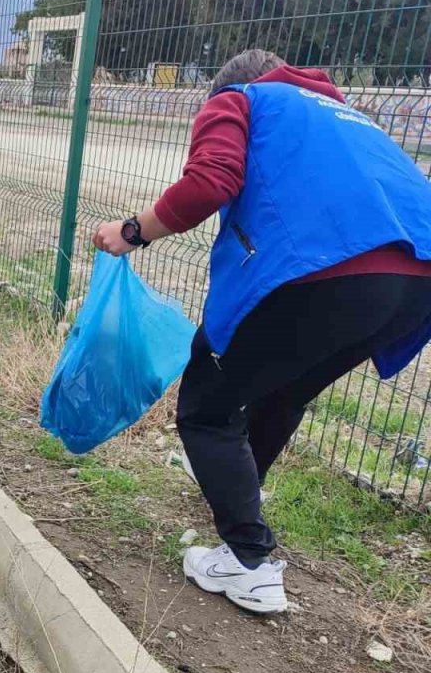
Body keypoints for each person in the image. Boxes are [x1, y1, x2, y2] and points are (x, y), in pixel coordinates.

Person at [92, 49, 431, 615]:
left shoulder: (240, 99)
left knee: (205, 407)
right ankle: (239, 518)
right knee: (282, 388)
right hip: (415, 279)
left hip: (328, 268)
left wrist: (131, 231)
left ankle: (250, 561)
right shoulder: (344, 115)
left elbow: (209, 182)